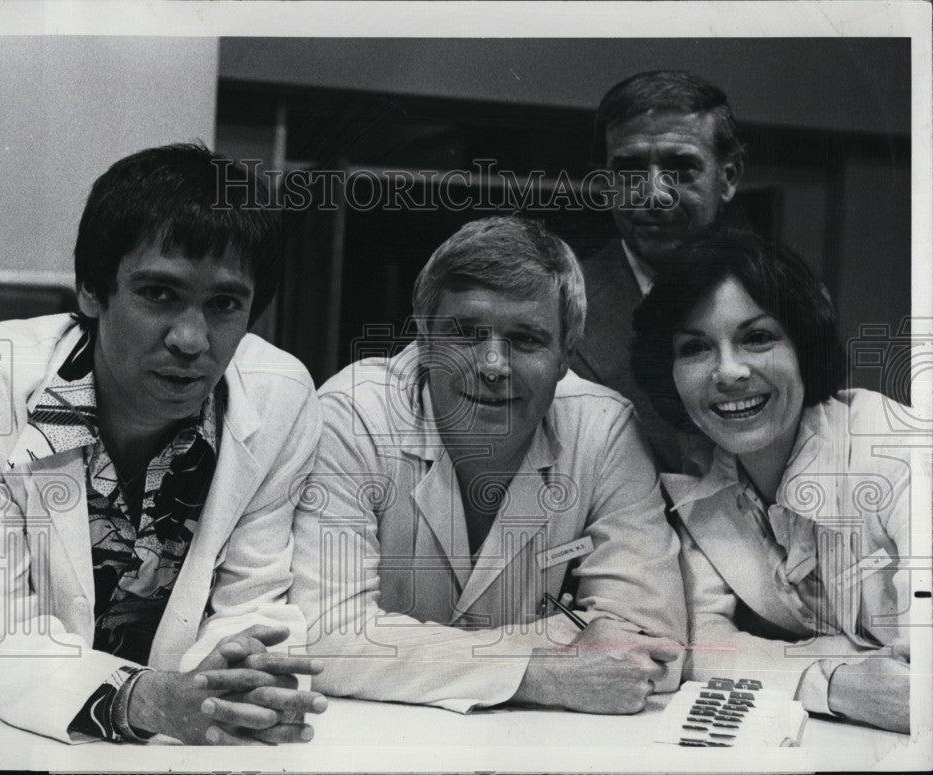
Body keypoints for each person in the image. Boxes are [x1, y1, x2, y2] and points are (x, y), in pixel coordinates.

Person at [0, 143, 329, 744]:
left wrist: (240, 679)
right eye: (159, 294)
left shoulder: (279, 395)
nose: (190, 338)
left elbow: (253, 596)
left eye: (224, 304)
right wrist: (142, 700)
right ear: (91, 292)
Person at [289, 215, 686, 714]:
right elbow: (322, 636)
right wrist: (544, 670)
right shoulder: (354, 415)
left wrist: (402, 651)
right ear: (424, 340)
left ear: (566, 356)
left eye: (525, 340)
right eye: (466, 333)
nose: (493, 365)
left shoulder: (603, 430)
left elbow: (652, 643)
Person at [631, 228, 911, 733]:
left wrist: (790, 662)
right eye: (695, 348)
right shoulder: (698, 481)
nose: (729, 371)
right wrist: (833, 681)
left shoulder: (894, 445)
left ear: (804, 345)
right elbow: (702, 647)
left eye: (757, 338)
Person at [569, 70, 745, 471]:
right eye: (629, 169)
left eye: (680, 167)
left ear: (728, 177)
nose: (654, 193)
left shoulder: (777, 300)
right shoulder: (556, 303)